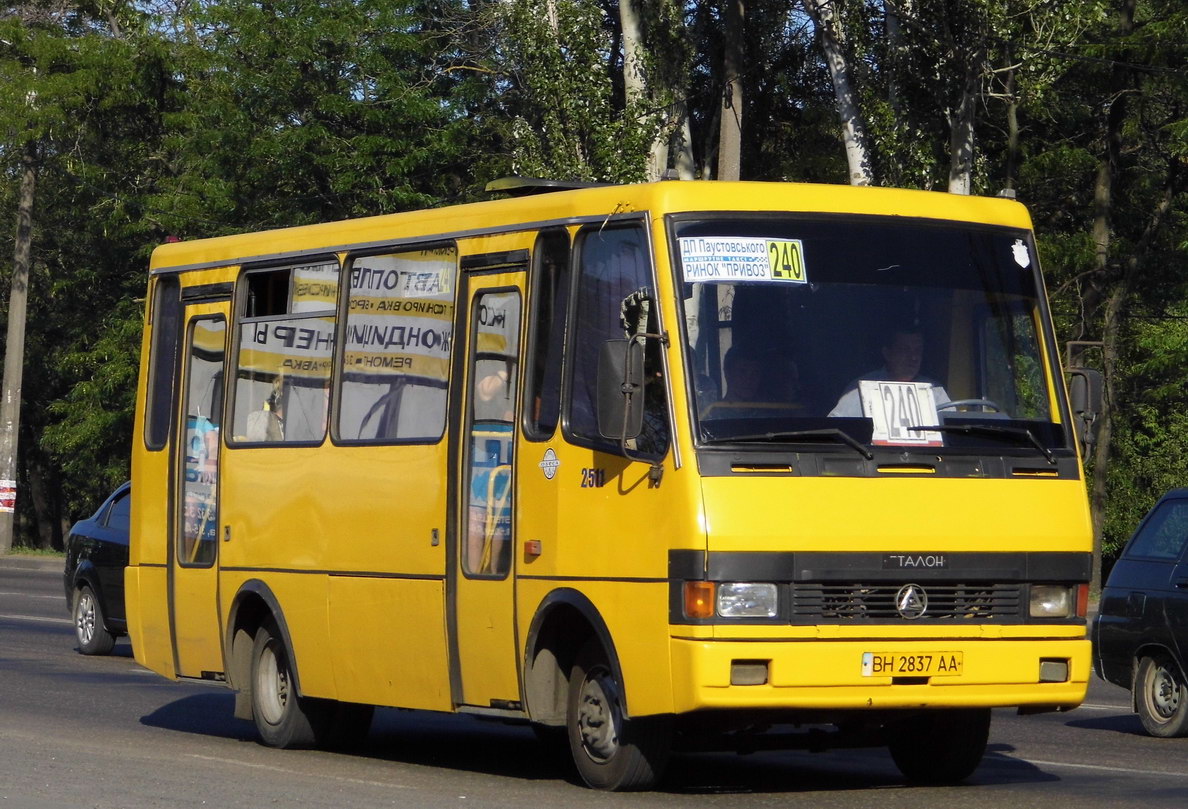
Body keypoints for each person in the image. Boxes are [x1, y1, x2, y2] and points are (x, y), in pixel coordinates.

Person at [828, 327, 949, 417]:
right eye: (905, 350)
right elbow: (837, 428)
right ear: (887, 353)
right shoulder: (862, 389)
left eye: (918, 350)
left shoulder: (934, 391)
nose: (913, 357)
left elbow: (952, 432)